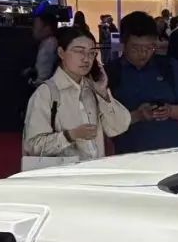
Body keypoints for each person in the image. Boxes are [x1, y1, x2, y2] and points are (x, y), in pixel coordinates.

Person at [23, 27, 131, 165]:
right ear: (61, 53)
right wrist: (70, 135)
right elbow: (32, 146)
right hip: (64, 174)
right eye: (79, 51)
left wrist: (103, 94)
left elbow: (119, 127)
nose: (86, 58)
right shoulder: (45, 93)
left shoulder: (93, 89)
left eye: (92, 53)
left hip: (94, 170)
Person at [107, 13, 178, 153]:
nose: (143, 54)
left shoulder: (169, 67)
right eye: (135, 48)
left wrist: (170, 111)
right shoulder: (110, 73)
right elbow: (106, 124)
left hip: (171, 154)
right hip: (129, 156)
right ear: (123, 42)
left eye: (149, 47)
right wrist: (138, 115)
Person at [29, 9, 59, 85]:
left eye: (36, 27)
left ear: (47, 28)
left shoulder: (48, 45)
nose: (33, 30)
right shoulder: (50, 43)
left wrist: (32, 82)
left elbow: (42, 76)